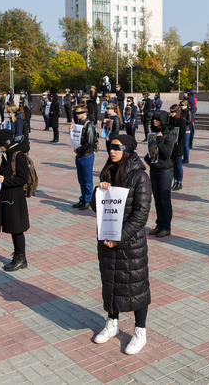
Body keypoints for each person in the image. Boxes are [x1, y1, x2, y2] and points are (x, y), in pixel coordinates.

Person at [90, 136, 151, 355]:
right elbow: (96, 208)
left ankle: (140, 332)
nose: (111, 151)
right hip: (107, 240)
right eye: (110, 147)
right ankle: (112, 323)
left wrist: (121, 237)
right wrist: (99, 191)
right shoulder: (107, 172)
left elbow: (141, 216)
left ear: (126, 150)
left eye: (116, 147)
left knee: (136, 287)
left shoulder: (140, 177)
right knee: (110, 283)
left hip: (130, 244)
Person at [0, 129, 32, 272]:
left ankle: (21, 259)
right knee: (12, 228)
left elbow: (23, 179)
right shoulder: (6, 154)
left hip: (16, 198)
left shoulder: (18, 156)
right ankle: (17, 256)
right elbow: (5, 173)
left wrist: (5, 180)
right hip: (7, 196)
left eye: (0, 143)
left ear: (7, 143)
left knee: (17, 229)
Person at [145, 111, 175, 237]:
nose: (154, 121)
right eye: (154, 119)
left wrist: (160, 139)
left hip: (164, 171)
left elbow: (167, 153)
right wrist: (148, 159)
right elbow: (152, 151)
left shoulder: (168, 135)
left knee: (164, 200)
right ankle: (159, 224)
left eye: (157, 119)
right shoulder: (153, 134)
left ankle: (166, 227)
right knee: (157, 200)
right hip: (155, 169)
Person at [71, 104, 96, 210]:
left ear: (85, 113)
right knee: (81, 179)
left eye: (79, 113)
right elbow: (75, 139)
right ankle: (83, 198)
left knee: (87, 179)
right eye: (76, 113)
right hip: (80, 155)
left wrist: (78, 149)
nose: (77, 115)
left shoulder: (88, 125)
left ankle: (88, 200)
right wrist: (71, 131)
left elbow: (90, 142)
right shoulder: (78, 124)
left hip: (86, 155)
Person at [168, 104, 186, 191]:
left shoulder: (181, 121)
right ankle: (175, 181)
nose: (171, 113)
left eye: (172, 112)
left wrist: (180, 146)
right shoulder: (170, 120)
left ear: (177, 112)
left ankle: (179, 182)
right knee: (173, 166)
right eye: (170, 111)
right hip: (171, 146)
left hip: (178, 147)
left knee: (178, 166)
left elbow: (183, 136)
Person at [179, 100, 192, 164]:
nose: (181, 106)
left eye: (183, 105)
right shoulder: (181, 112)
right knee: (182, 145)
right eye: (181, 105)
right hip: (181, 129)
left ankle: (186, 158)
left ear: (186, 105)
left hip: (186, 130)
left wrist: (182, 118)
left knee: (185, 145)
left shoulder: (188, 112)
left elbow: (189, 121)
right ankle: (183, 158)